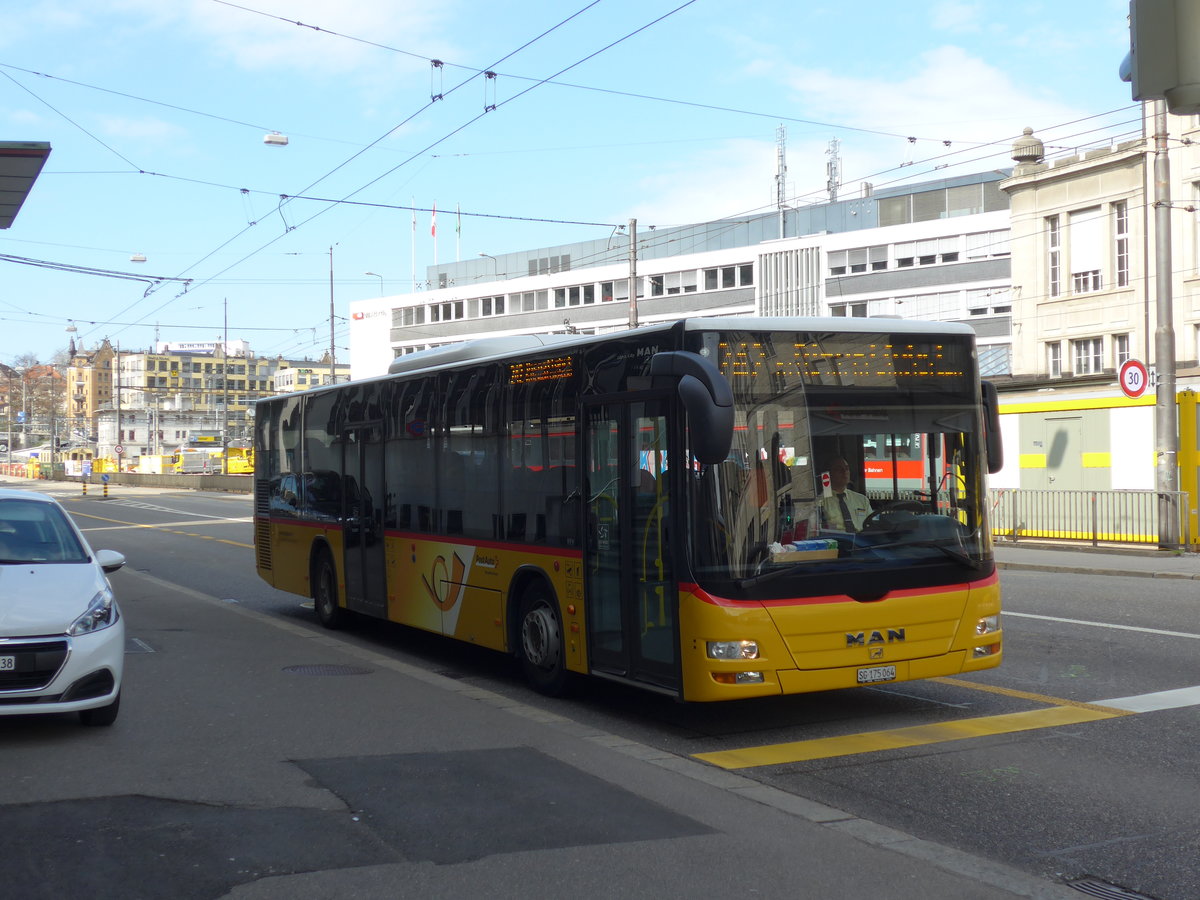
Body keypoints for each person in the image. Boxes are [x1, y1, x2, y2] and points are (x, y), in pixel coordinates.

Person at [818, 457, 872, 532]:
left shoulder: (862, 500)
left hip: (862, 541)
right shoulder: (821, 502)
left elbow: (872, 526)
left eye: (847, 468)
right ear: (828, 474)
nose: (844, 472)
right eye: (839, 469)